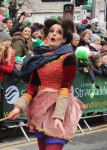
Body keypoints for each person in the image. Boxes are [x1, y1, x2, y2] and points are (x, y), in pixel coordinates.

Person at [8, 18, 87, 150]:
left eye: (59, 32)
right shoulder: (40, 59)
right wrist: (18, 108)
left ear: (64, 39)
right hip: (41, 108)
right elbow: (31, 88)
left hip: (60, 108)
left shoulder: (68, 57)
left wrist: (59, 116)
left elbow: (65, 88)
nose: (54, 34)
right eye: (51, 31)